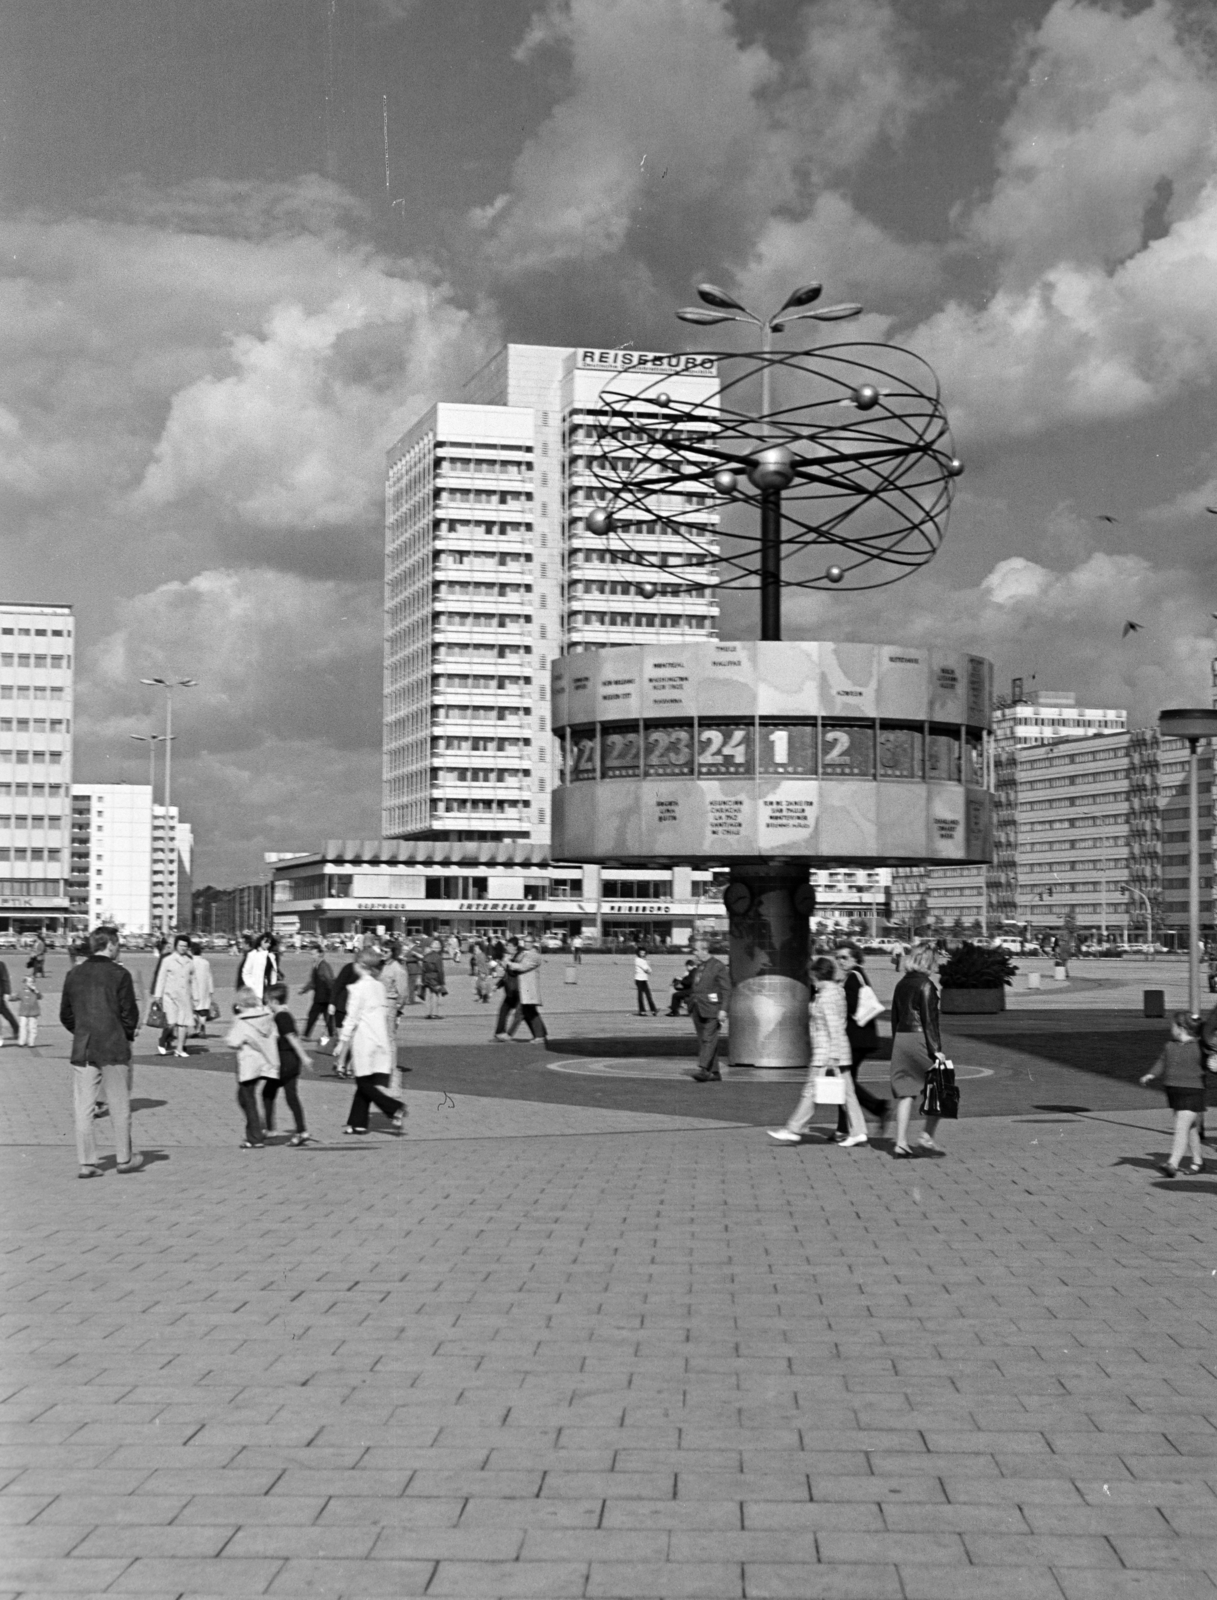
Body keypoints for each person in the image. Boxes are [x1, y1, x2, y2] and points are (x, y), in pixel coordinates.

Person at [59, 925, 142, 1178]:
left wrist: (82, 1031)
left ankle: (87, 1163)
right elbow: (130, 1014)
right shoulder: (120, 974)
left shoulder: (73, 974)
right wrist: (126, 1035)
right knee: (119, 1104)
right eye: (117, 944)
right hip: (114, 1045)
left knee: (84, 1106)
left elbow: (65, 1015)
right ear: (111, 945)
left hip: (83, 1047)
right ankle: (124, 1158)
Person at [769, 956, 868, 1145]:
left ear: (818, 975)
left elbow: (834, 1027)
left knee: (811, 1091)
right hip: (837, 1053)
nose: (812, 982)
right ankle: (858, 1131)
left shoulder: (828, 997)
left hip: (827, 1053)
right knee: (848, 1093)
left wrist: (832, 1056)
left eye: (813, 978)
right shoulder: (836, 992)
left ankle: (793, 1128)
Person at [336, 949, 406, 1135]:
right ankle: (358, 1123)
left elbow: (352, 1018)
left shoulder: (358, 988)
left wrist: (342, 1042)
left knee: (364, 1083)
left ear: (360, 966)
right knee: (364, 1083)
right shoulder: (379, 986)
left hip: (364, 1040)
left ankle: (393, 1107)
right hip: (379, 1038)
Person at [888, 943, 948, 1158]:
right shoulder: (927, 986)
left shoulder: (901, 984)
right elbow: (929, 1020)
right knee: (941, 1087)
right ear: (930, 962)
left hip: (902, 1039)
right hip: (921, 1038)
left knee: (906, 1092)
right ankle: (926, 1136)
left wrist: (897, 1043)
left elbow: (895, 1016)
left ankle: (901, 1143)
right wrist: (936, 1050)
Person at [1141, 1012, 1208, 1176]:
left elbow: (1211, 1062)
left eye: (1173, 1026)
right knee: (1190, 1128)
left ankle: (1172, 1164)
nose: (1171, 1029)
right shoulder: (1170, 1045)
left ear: (1182, 1028)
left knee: (1181, 1126)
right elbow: (1162, 1061)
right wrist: (1151, 1074)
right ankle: (1198, 1162)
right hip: (1174, 1091)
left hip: (1192, 1092)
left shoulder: (1200, 1047)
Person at [836, 943, 890, 1139]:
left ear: (855, 958)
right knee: (845, 1082)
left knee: (844, 1081)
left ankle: (877, 1107)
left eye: (844, 957)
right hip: (861, 1037)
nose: (840, 961)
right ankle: (843, 1128)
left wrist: (835, 994)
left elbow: (851, 1006)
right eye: (838, 958)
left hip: (856, 1038)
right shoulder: (855, 975)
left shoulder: (853, 977)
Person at [224, 985, 280, 1148]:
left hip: (249, 1064)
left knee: (246, 1098)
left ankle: (255, 1137)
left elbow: (233, 1041)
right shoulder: (267, 1015)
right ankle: (258, 1127)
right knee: (246, 1097)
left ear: (240, 1003)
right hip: (267, 1061)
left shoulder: (242, 1020)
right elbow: (275, 1035)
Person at [264, 981, 313, 1146]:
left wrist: (304, 1056)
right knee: (291, 1096)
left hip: (285, 1061)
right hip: (292, 1061)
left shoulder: (281, 1016)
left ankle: (270, 1129)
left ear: (275, 1002)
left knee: (268, 1092)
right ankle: (301, 1130)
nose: (267, 1005)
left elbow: (292, 1038)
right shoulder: (286, 1014)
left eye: (268, 1002)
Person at [686, 939, 731, 1082]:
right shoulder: (700, 966)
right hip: (697, 1008)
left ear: (704, 950)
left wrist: (723, 1010)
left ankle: (704, 1069)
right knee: (707, 1041)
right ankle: (715, 1072)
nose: (694, 952)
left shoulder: (717, 966)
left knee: (708, 1038)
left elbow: (727, 989)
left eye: (696, 950)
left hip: (713, 1009)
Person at [153, 933, 196, 1058]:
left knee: (183, 1023)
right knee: (171, 1023)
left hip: (185, 996)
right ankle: (163, 1039)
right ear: (176, 946)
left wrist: (196, 996)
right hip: (169, 996)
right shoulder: (167, 960)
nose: (183, 948)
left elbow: (193, 979)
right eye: (180, 945)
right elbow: (161, 978)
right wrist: (158, 995)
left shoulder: (189, 961)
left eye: (185, 946)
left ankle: (179, 1049)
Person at [505, 934, 548, 1042]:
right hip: (523, 987)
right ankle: (541, 1034)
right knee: (529, 1011)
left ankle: (539, 1035)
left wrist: (508, 963)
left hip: (528, 987)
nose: (526, 944)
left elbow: (522, 967)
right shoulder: (525, 953)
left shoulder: (534, 955)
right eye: (525, 942)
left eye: (529, 942)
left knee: (526, 1011)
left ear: (533, 943)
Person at [299, 944, 336, 1045]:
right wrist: (304, 989)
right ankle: (332, 1037)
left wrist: (333, 996)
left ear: (320, 954)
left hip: (323, 997)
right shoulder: (316, 965)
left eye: (314, 954)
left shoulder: (324, 966)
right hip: (321, 997)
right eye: (311, 954)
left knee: (314, 1016)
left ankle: (306, 1035)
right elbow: (313, 982)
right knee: (326, 1018)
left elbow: (330, 981)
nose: (312, 956)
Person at [237, 931, 280, 1002]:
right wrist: (251, 986)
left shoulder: (271, 956)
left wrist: (273, 985)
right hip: (257, 988)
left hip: (268, 988)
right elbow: (245, 973)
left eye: (270, 943)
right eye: (266, 942)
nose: (268, 944)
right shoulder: (252, 955)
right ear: (261, 941)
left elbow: (273, 973)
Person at [189, 939, 215, 1038]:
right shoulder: (205, 962)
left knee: (193, 1010)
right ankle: (202, 1026)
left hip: (193, 989)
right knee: (203, 1009)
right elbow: (209, 976)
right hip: (205, 989)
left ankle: (197, 1029)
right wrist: (211, 990)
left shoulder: (190, 962)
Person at [420, 939, 446, 1019]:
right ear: (438, 948)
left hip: (427, 977)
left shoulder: (426, 956)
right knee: (435, 995)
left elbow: (423, 969)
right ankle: (434, 1013)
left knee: (429, 996)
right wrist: (442, 982)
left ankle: (428, 1013)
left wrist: (423, 979)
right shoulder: (438, 957)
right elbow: (440, 971)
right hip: (435, 978)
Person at [633, 946, 658, 1017]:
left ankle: (653, 1010)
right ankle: (642, 1011)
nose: (642, 954)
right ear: (638, 953)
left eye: (644, 953)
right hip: (639, 979)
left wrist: (648, 969)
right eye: (641, 953)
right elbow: (646, 969)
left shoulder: (644, 960)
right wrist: (648, 969)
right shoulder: (637, 960)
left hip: (644, 979)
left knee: (648, 995)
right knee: (640, 996)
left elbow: (649, 970)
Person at [16, 975, 41, 1046]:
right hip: (23, 1012)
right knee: (22, 1027)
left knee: (32, 1027)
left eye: (33, 982)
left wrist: (36, 991)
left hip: (33, 1012)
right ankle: (21, 1042)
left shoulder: (35, 991)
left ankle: (31, 1042)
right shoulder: (21, 991)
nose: (31, 983)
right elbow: (16, 997)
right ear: (25, 983)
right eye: (29, 982)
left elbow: (40, 997)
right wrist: (9, 998)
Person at [0, 956, 16, 1046]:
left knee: (5, 1013)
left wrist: (7, 992)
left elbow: (5, 979)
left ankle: (0, 1037)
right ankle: (17, 1028)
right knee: (6, 1013)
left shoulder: (1, 965)